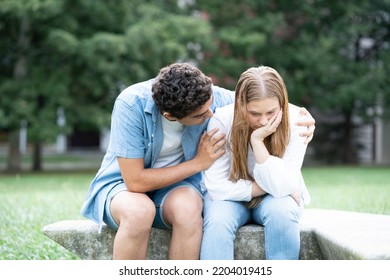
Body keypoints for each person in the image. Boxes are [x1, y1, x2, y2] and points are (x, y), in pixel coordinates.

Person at [80, 62, 314, 260]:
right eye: (201, 116)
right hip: (124, 187)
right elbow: (135, 181)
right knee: (140, 211)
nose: (211, 115)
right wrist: (197, 164)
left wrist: (302, 116)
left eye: (211, 105)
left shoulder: (207, 99)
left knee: (189, 207)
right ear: (170, 116)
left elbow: (254, 99)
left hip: (176, 188)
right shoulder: (131, 104)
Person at [201, 66, 313, 260]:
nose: (263, 121)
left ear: (282, 104)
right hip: (229, 198)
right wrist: (265, 186)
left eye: (271, 112)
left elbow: (281, 188)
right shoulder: (221, 121)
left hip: (275, 200)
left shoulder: (298, 122)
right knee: (218, 221)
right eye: (254, 113)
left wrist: (257, 142)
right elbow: (217, 187)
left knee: (283, 213)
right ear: (240, 104)